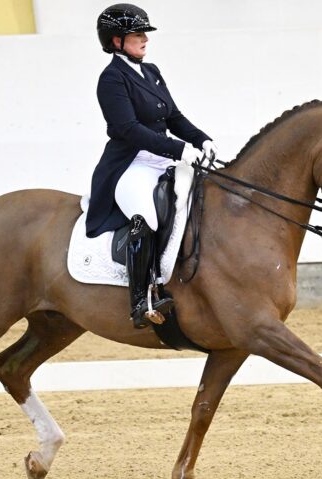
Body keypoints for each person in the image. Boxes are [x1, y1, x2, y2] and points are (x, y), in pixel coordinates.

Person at [87, 3, 216, 329]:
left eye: (145, 33)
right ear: (116, 41)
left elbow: (173, 117)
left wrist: (202, 140)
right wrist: (179, 149)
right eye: (137, 34)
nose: (145, 39)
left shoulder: (151, 71)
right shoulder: (111, 80)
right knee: (147, 216)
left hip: (163, 157)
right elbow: (129, 130)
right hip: (131, 164)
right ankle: (141, 300)